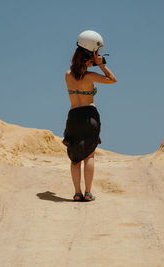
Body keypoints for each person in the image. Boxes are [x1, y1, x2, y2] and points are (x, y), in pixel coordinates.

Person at [63, 30, 117, 202]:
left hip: (74, 116)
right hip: (90, 115)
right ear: (91, 55)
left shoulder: (67, 75)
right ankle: (88, 192)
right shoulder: (91, 76)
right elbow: (112, 79)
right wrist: (100, 64)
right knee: (89, 155)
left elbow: (77, 70)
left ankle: (77, 193)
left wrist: (91, 61)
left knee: (75, 158)